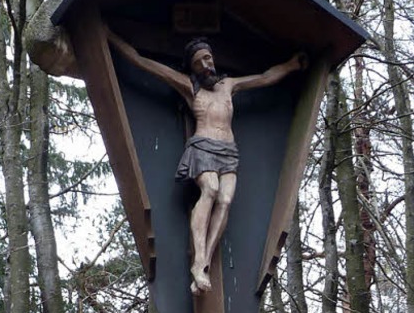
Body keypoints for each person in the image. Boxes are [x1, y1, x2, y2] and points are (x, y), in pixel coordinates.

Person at [105, 29, 307, 294]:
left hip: (229, 151)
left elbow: (265, 78)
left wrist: (291, 65)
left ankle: (204, 262)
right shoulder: (190, 87)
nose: (205, 65)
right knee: (209, 189)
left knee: (225, 201)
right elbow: (143, 61)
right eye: (198, 62)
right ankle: (197, 260)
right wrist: (112, 37)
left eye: (207, 58)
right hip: (203, 147)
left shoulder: (229, 86)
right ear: (192, 66)